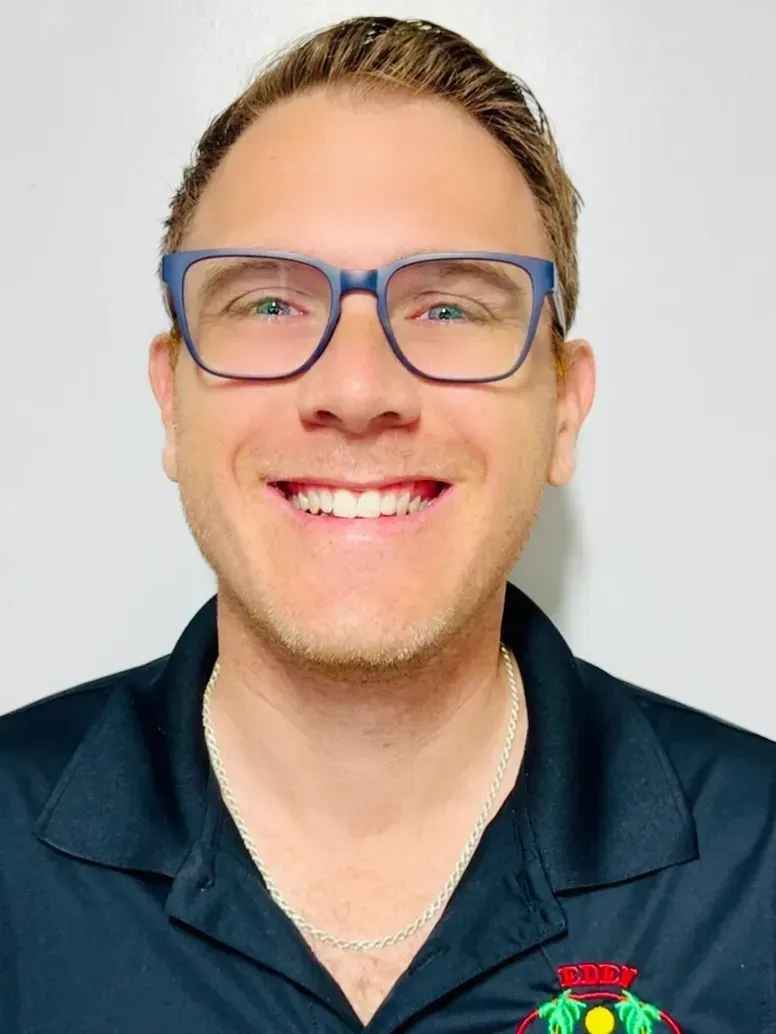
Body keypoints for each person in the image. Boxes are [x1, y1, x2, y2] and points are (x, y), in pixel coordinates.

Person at [1, 15, 773, 1034]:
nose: (357, 386)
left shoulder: (757, 865)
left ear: (563, 410)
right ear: (171, 402)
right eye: (270, 303)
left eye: (447, 307)